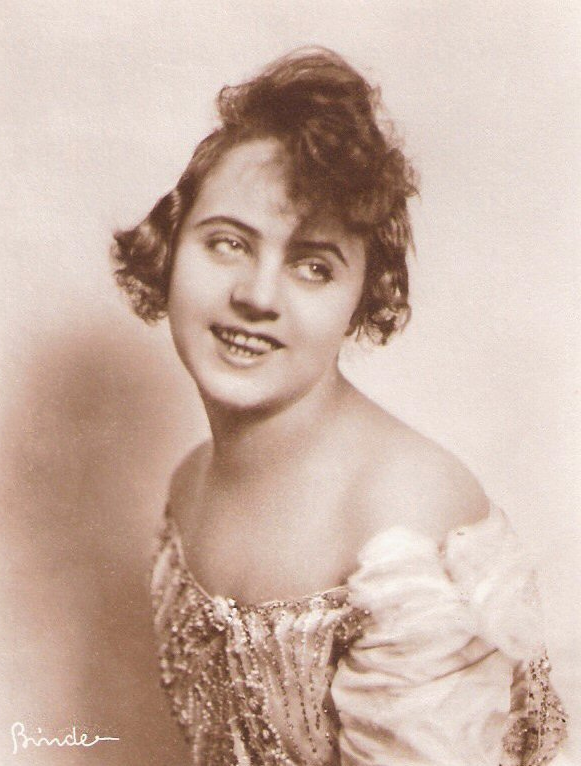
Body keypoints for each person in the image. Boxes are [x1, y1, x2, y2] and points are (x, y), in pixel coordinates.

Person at [111, 48, 567, 765]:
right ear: (169, 248)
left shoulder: (406, 520)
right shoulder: (190, 483)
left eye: (313, 266)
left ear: (362, 297)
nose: (257, 296)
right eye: (228, 243)